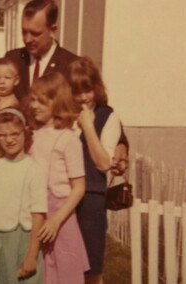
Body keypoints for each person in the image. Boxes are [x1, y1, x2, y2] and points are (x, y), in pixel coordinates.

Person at [5, 0, 129, 175]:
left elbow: (100, 110)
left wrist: (121, 145)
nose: (27, 39)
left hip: (55, 168)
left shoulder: (71, 65)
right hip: (19, 160)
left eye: (35, 33)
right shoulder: (13, 59)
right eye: (24, 32)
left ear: (53, 29)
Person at [27, 72, 90, 284]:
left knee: (64, 272)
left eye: (41, 101)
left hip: (60, 217)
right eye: (33, 99)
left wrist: (55, 220)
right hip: (35, 212)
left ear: (57, 101)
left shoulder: (68, 138)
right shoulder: (31, 135)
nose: (34, 105)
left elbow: (79, 187)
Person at [66, 57, 122, 284]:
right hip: (63, 196)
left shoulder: (108, 117)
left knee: (91, 265)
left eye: (87, 90)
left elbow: (103, 163)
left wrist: (88, 126)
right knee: (64, 263)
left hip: (90, 199)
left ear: (96, 88)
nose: (82, 98)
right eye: (76, 92)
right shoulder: (64, 116)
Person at [0, 108, 47, 284]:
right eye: (3, 135)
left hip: (21, 243)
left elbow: (38, 215)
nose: (9, 140)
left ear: (25, 132)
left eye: (15, 134)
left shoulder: (34, 170)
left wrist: (31, 254)